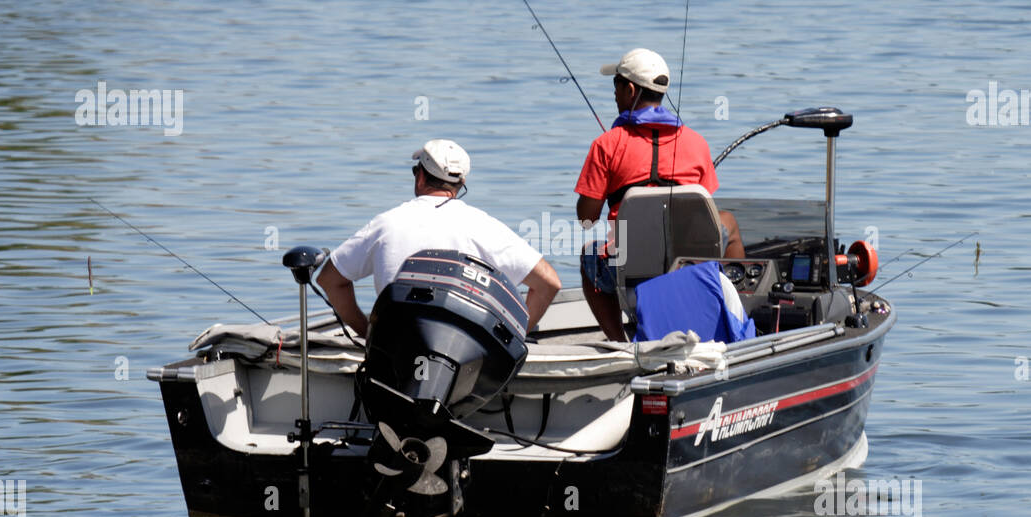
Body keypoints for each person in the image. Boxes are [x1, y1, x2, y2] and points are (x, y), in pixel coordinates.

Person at [575, 48, 743, 341]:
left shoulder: (606, 144)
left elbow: (587, 219)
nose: (613, 95)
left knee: (589, 253)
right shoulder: (697, 142)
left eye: (615, 86)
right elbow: (707, 212)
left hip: (630, 269)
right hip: (689, 266)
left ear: (629, 90)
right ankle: (732, 309)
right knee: (729, 222)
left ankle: (619, 343)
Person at [318, 139, 561, 336]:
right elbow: (549, 283)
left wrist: (366, 332)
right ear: (461, 183)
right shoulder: (483, 226)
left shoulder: (385, 224)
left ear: (421, 177)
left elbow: (329, 280)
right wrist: (511, 340)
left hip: (394, 352)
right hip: (463, 361)